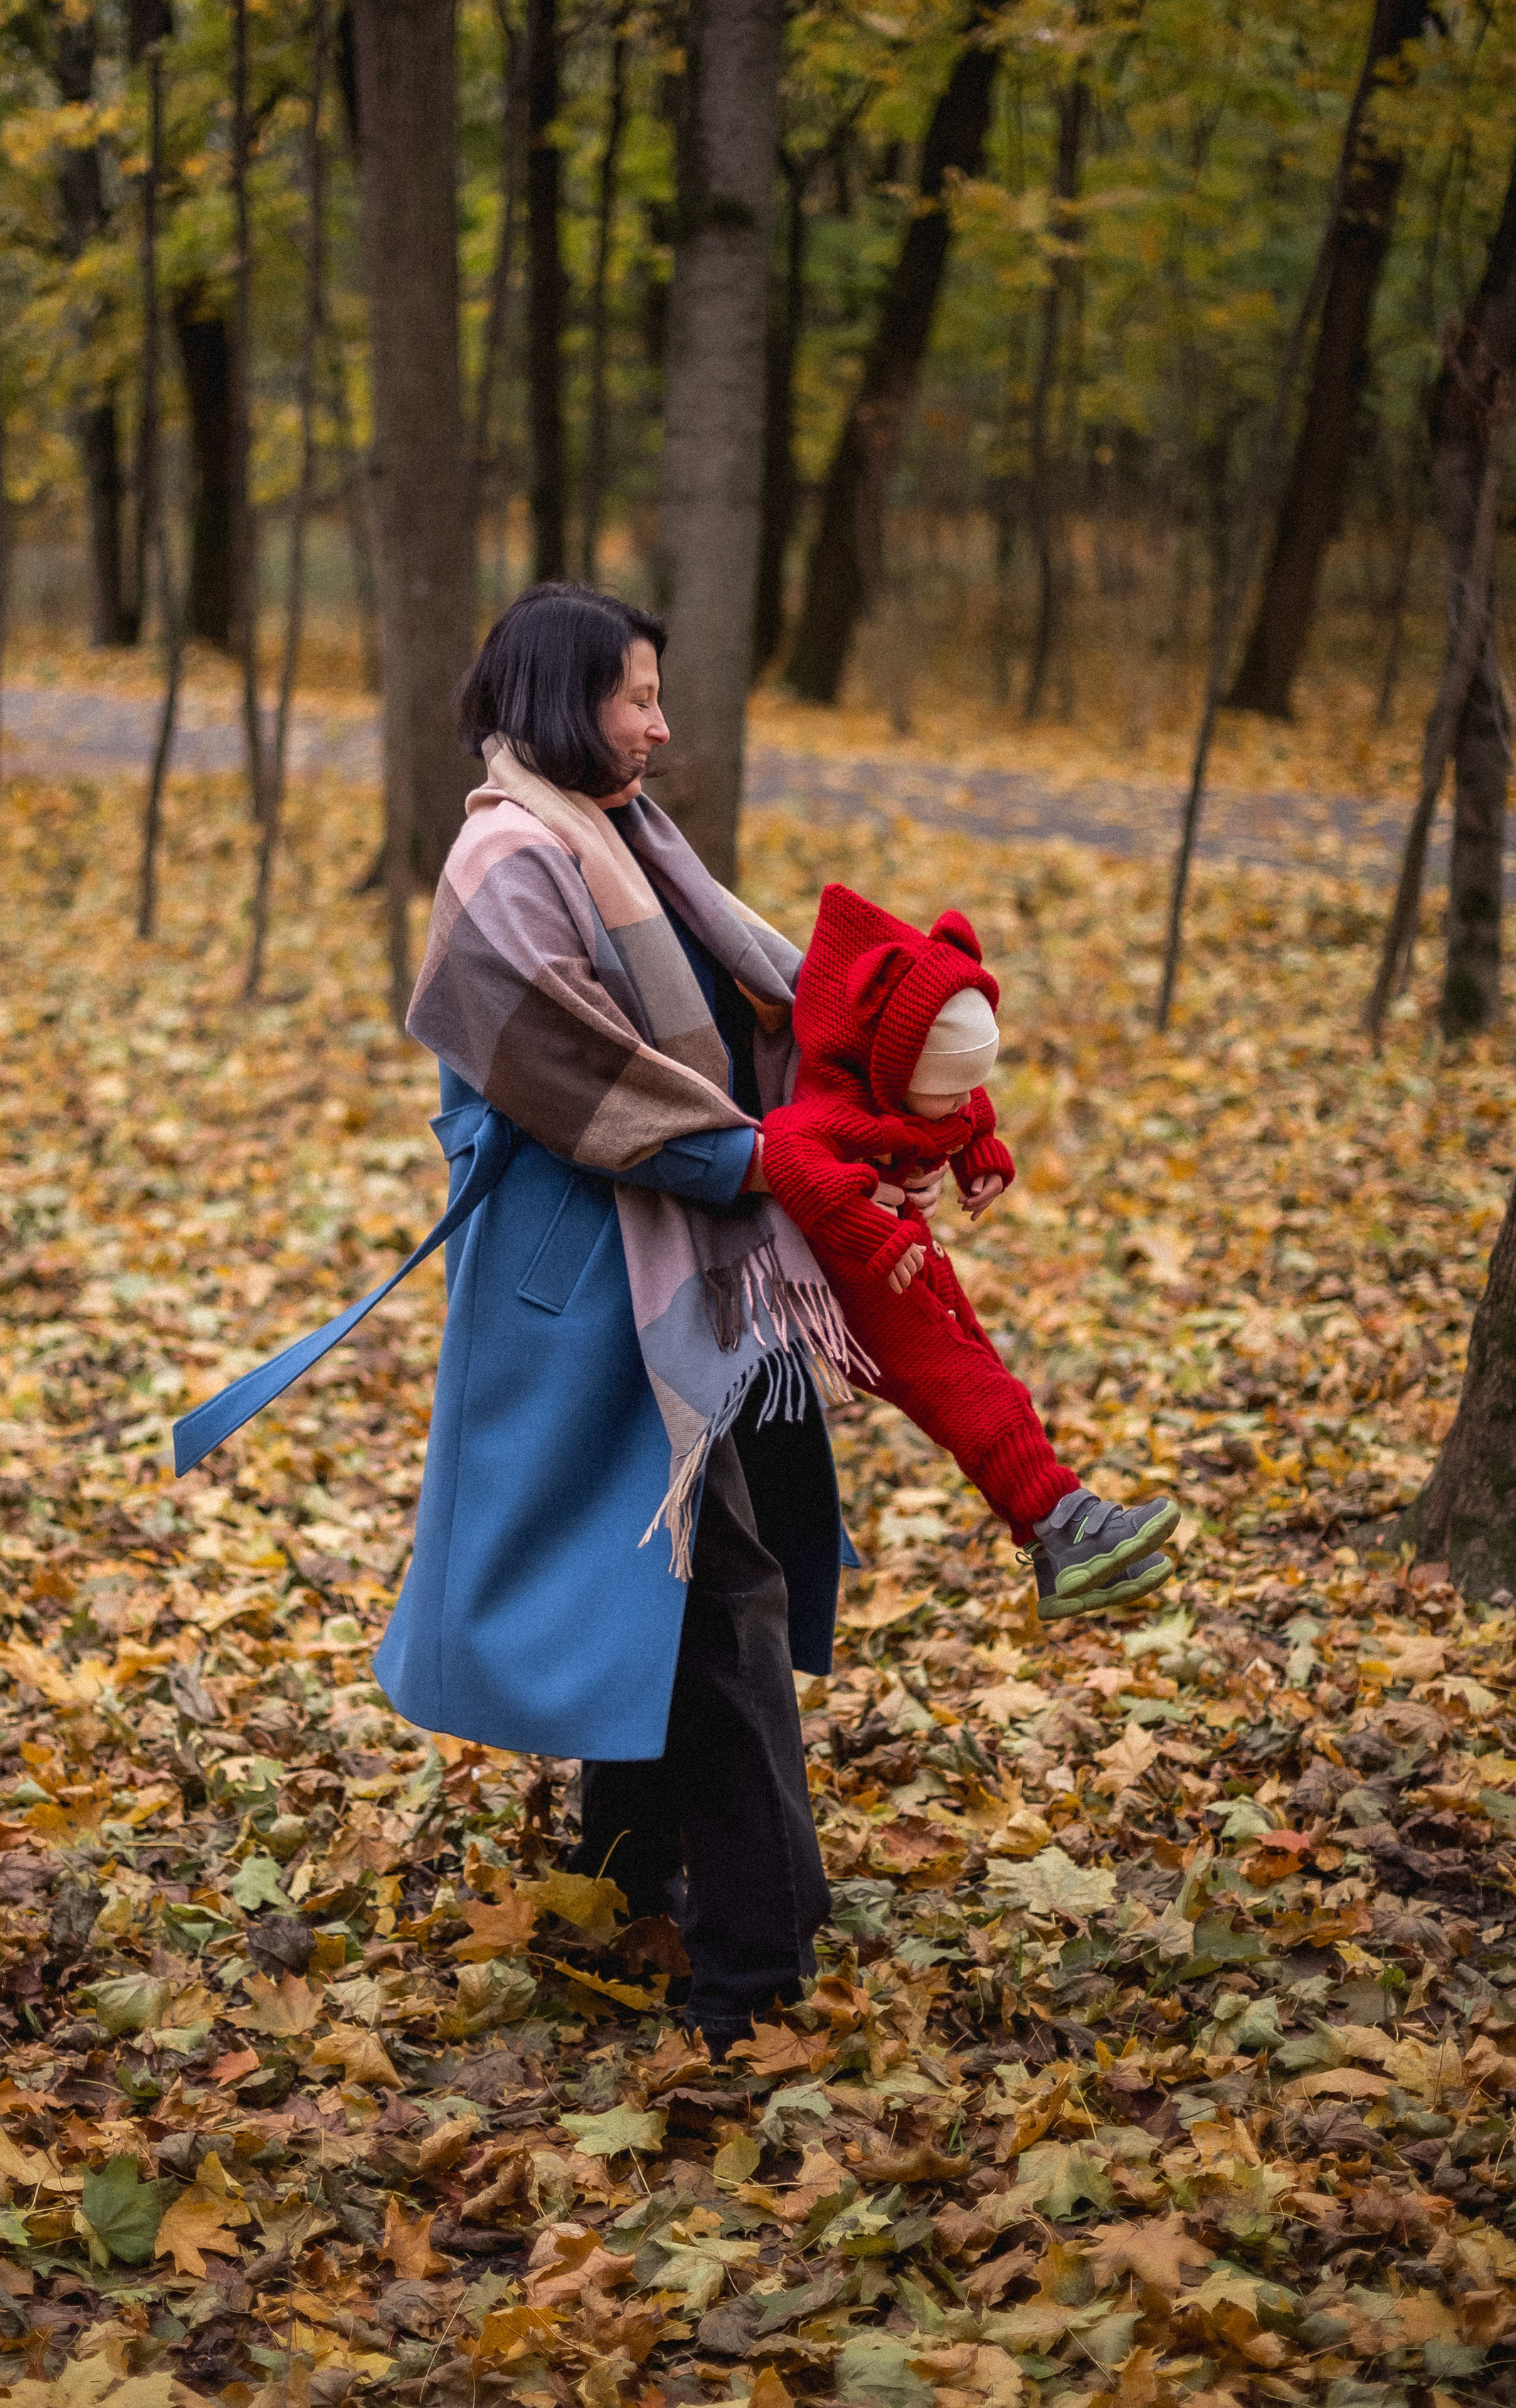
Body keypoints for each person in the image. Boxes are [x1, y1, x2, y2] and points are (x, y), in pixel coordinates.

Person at [372, 583, 889, 2057]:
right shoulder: (505, 854)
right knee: (710, 1586)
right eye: (635, 698)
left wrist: (852, 1087)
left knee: (669, 1580)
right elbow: (558, 1064)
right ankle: (754, 1955)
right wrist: (757, 1157)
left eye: (659, 695)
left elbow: (736, 1010)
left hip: (693, 1253)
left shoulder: (623, 832)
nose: (660, 726)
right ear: (558, 696)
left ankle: (623, 1882)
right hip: (592, 1281)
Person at [759, 884, 1180, 1617]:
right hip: (858, 1283)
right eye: (946, 1095)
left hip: (909, 1258)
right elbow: (790, 1162)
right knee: (963, 1387)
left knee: (984, 1375)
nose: (963, 1104)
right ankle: (1066, 1519)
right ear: (891, 1069)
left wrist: (975, 1150)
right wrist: (870, 1232)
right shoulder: (829, 1108)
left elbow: (965, 1099)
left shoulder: (923, 1080)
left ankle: (1056, 1550)